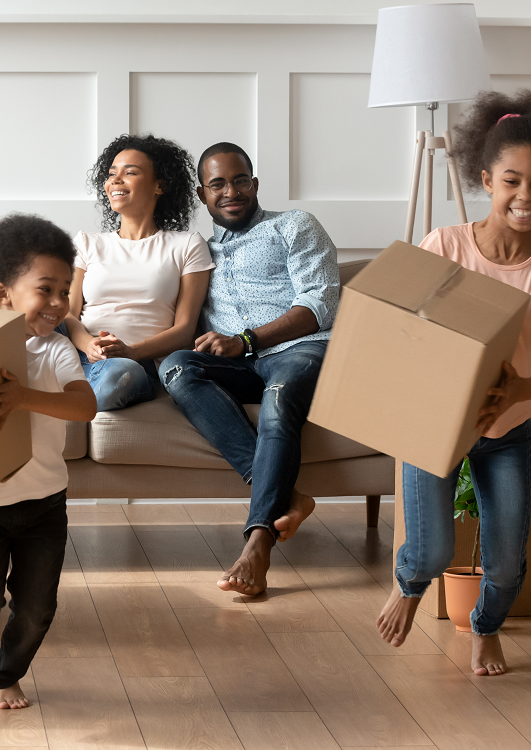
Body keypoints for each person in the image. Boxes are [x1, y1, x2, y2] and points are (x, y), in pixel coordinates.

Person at [377, 89, 531, 677]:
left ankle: (485, 629)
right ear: (485, 179)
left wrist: (521, 391)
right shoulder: (445, 246)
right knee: (429, 552)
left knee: (506, 564)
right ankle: (408, 584)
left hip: (507, 430)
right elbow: (399, 332)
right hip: (435, 424)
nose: (525, 197)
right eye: (511, 181)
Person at [160, 142, 339, 596]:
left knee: (280, 400)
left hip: (300, 351)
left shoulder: (293, 225)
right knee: (177, 367)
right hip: (238, 364)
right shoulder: (197, 253)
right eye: (217, 183)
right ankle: (286, 494)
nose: (231, 191)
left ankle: (257, 544)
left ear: (255, 183)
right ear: (203, 195)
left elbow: (320, 305)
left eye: (240, 180)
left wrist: (246, 340)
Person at [0, 214, 96, 708]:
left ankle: (4, 672)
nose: (60, 303)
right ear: (5, 293)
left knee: (37, 608)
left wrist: (22, 397)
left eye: (66, 290)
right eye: (46, 290)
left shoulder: (55, 350)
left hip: (43, 504)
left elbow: (85, 406)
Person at [62, 134, 214, 411]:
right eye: (111, 174)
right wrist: (89, 345)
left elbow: (184, 330)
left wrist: (130, 352)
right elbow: (68, 313)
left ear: (160, 185)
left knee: (120, 374)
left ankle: (65, 397)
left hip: (136, 365)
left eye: (129, 172)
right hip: (82, 356)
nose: (114, 181)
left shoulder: (187, 244)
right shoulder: (87, 242)